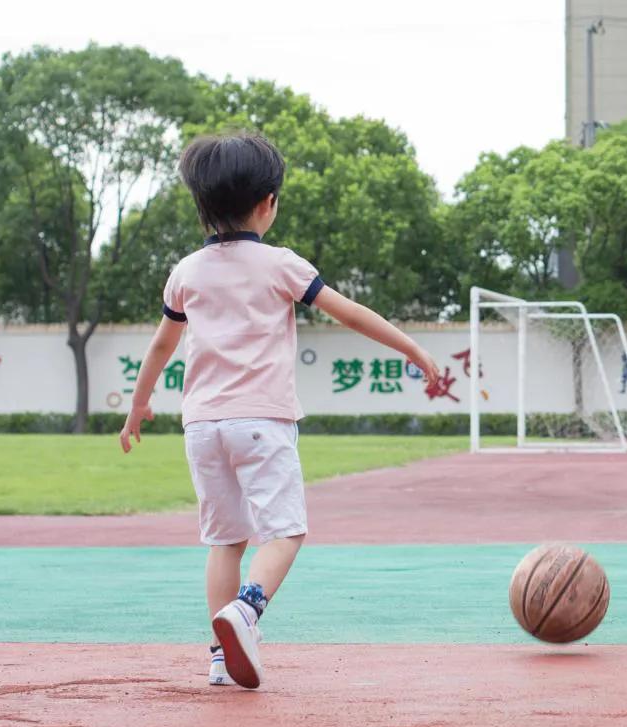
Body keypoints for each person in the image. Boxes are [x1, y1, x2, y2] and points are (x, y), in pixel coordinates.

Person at [120, 132, 440, 690]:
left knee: (225, 540)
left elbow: (160, 347)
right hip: (261, 422)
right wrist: (411, 347)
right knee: (286, 532)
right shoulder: (281, 264)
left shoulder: (186, 272)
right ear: (268, 203)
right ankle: (247, 610)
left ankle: (220, 656)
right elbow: (350, 312)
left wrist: (139, 405)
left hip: (201, 427)